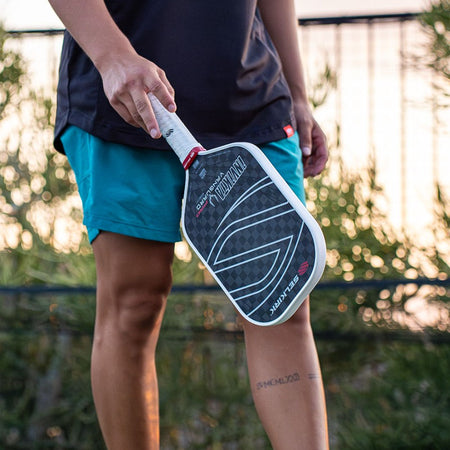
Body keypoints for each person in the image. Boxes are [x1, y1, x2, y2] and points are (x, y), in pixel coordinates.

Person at [48, 0, 329, 448]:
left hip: (251, 98)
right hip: (127, 95)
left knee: (282, 298)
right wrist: (112, 55)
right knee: (135, 301)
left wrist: (298, 92)